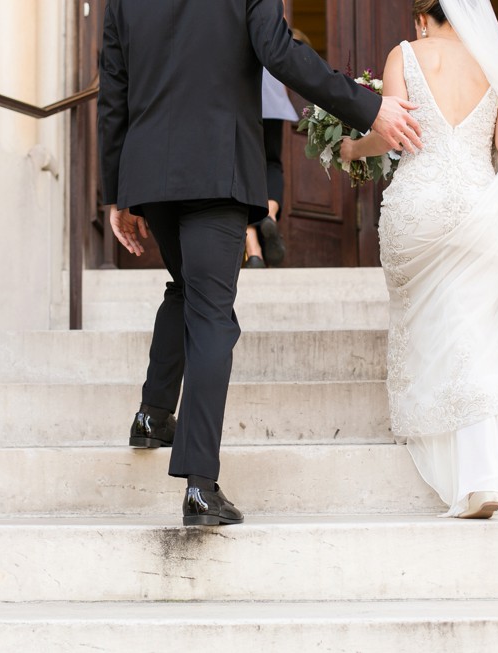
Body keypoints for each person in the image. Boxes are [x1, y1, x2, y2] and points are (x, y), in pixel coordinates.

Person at [99, 0, 424, 526]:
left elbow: (113, 93)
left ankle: (152, 415)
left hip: (150, 171)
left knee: (186, 287)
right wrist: (368, 106)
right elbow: (281, 55)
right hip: (215, 167)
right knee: (211, 314)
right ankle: (201, 487)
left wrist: (116, 193)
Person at [341, 0, 498, 519]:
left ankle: (460, 467)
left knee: (432, 328)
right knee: (475, 333)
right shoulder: (494, 66)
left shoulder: (405, 54)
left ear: (420, 19)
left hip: (418, 208)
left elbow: (393, 135)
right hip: (479, 207)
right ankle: (482, 478)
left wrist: (346, 149)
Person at [244, 67, 296, 268]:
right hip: (272, 94)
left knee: (239, 170)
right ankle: (269, 215)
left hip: (237, 94)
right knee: (271, 162)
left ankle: (254, 252)